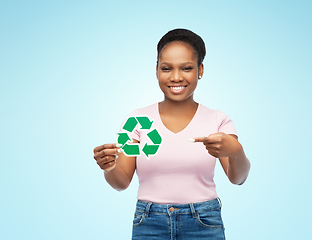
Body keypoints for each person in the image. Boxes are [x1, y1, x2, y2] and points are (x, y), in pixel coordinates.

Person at [93, 28, 251, 239]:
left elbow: (237, 178)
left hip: (204, 222)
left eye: (186, 68)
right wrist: (110, 167)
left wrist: (237, 152)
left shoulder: (218, 120)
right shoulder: (136, 121)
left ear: (200, 70)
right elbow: (121, 182)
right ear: (157, 70)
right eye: (167, 68)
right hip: (149, 222)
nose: (176, 77)